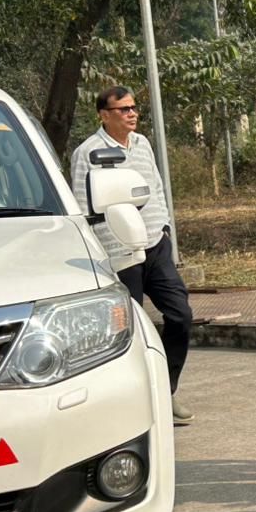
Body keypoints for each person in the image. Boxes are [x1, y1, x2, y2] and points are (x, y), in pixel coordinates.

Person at [72, 86, 194, 426]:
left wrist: (164, 227)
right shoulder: (87, 152)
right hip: (118, 253)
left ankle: (165, 391)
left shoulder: (142, 144)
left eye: (133, 108)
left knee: (181, 315)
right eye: (123, 109)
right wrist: (101, 250)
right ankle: (130, 402)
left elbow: (155, 187)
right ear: (104, 115)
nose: (132, 113)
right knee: (129, 330)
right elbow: (82, 204)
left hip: (155, 245)